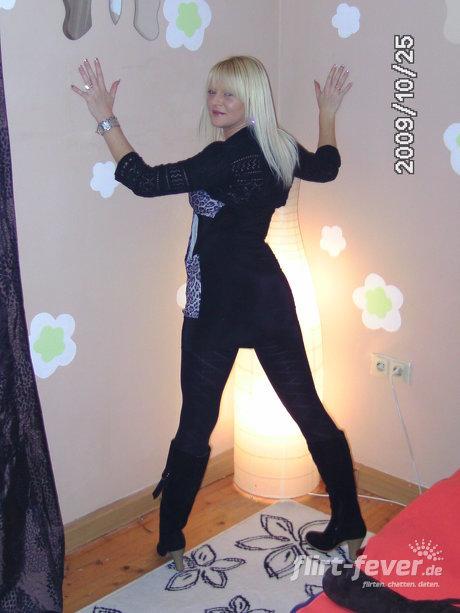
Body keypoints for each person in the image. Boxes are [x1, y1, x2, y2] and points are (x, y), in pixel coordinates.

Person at [71, 55, 366, 573]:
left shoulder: (224, 157)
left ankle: (171, 537)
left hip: (218, 307)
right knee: (307, 409)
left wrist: (105, 118)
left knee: (196, 421)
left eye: (229, 94)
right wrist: (327, 112)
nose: (216, 103)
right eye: (212, 92)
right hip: (267, 296)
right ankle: (349, 522)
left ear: (252, 100)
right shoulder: (278, 146)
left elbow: (143, 180)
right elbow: (326, 166)